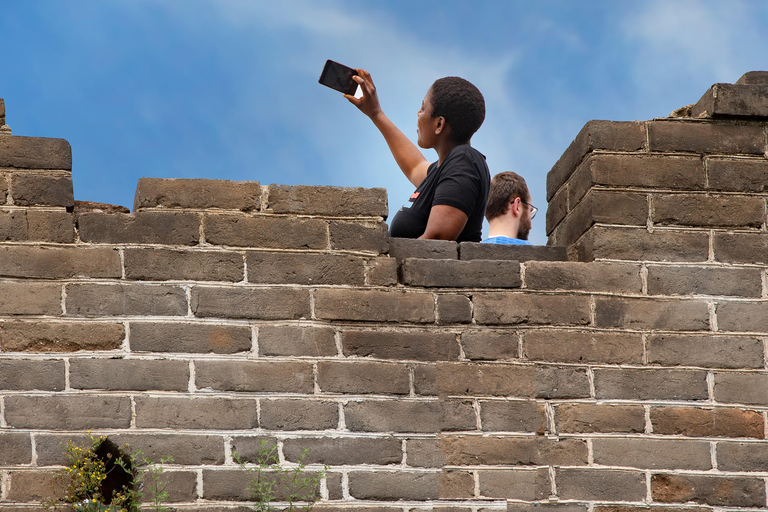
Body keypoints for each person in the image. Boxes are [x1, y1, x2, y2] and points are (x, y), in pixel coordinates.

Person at [344, 70, 490, 242]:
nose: (418, 113)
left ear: (439, 124)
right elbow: (414, 166)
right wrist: (375, 113)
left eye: (423, 108)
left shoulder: (464, 160)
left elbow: (438, 238)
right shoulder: (444, 168)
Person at [482, 171, 535, 245]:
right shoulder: (534, 254)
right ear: (517, 206)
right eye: (530, 211)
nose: (530, 226)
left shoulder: (469, 253)